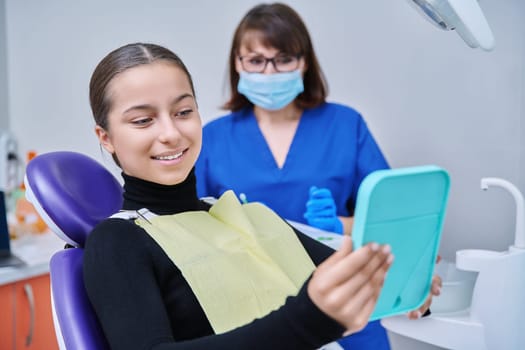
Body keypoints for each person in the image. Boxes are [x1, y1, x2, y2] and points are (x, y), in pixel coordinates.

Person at [83, 42, 397, 350]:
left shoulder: (247, 214)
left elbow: (350, 275)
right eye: (143, 120)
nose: (171, 133)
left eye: (183, 112)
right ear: (106, 137)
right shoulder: (118, 241)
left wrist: (408, 284)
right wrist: (306, 321)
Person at [194, 3, 434, 349]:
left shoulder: (345, 125)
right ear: (237, 63)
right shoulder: (212, 138)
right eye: (256, 60)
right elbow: (189, 231)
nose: (269, 72)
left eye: (283, 59)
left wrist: (339, 226)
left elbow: (392, 220)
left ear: (304, 62)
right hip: (252, 313)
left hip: (346, 303)